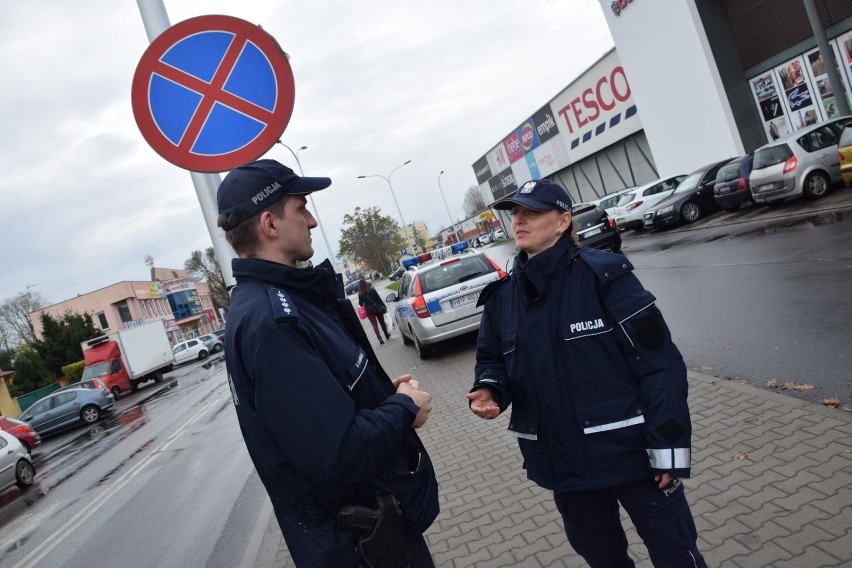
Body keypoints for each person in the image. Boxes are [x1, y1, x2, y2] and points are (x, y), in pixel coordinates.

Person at [466, 179, 707, 568]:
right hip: (565, 467)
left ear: (563, 222)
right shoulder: (502, 299)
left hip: (634, 457)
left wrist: (669, 448)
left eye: (532, 212)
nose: (520, 220)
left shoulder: (606, 277)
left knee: (677, 554)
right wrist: (489, 390)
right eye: (516, 213)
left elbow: (660, 363)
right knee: (603, 559)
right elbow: (492, 361)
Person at [217, 159, 439, 567]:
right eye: (301, 208)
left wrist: (383, 398)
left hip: (375, 536)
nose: (312, 221)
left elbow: (324, 411)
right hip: (361, 547)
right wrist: (402, 410)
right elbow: (335, 456)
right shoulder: (272, 322)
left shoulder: (291, 302)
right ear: (270, 223)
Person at [358, 279, 391, 344]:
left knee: (374, 325)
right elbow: (379, 299)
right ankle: (386, 335)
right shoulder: (372, 290)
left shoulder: (360, 294)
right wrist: (384, 307)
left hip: (369, 311)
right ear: (366, 283)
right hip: (377, 309)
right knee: (382, 322)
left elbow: (361, 304)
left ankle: (380, 339)